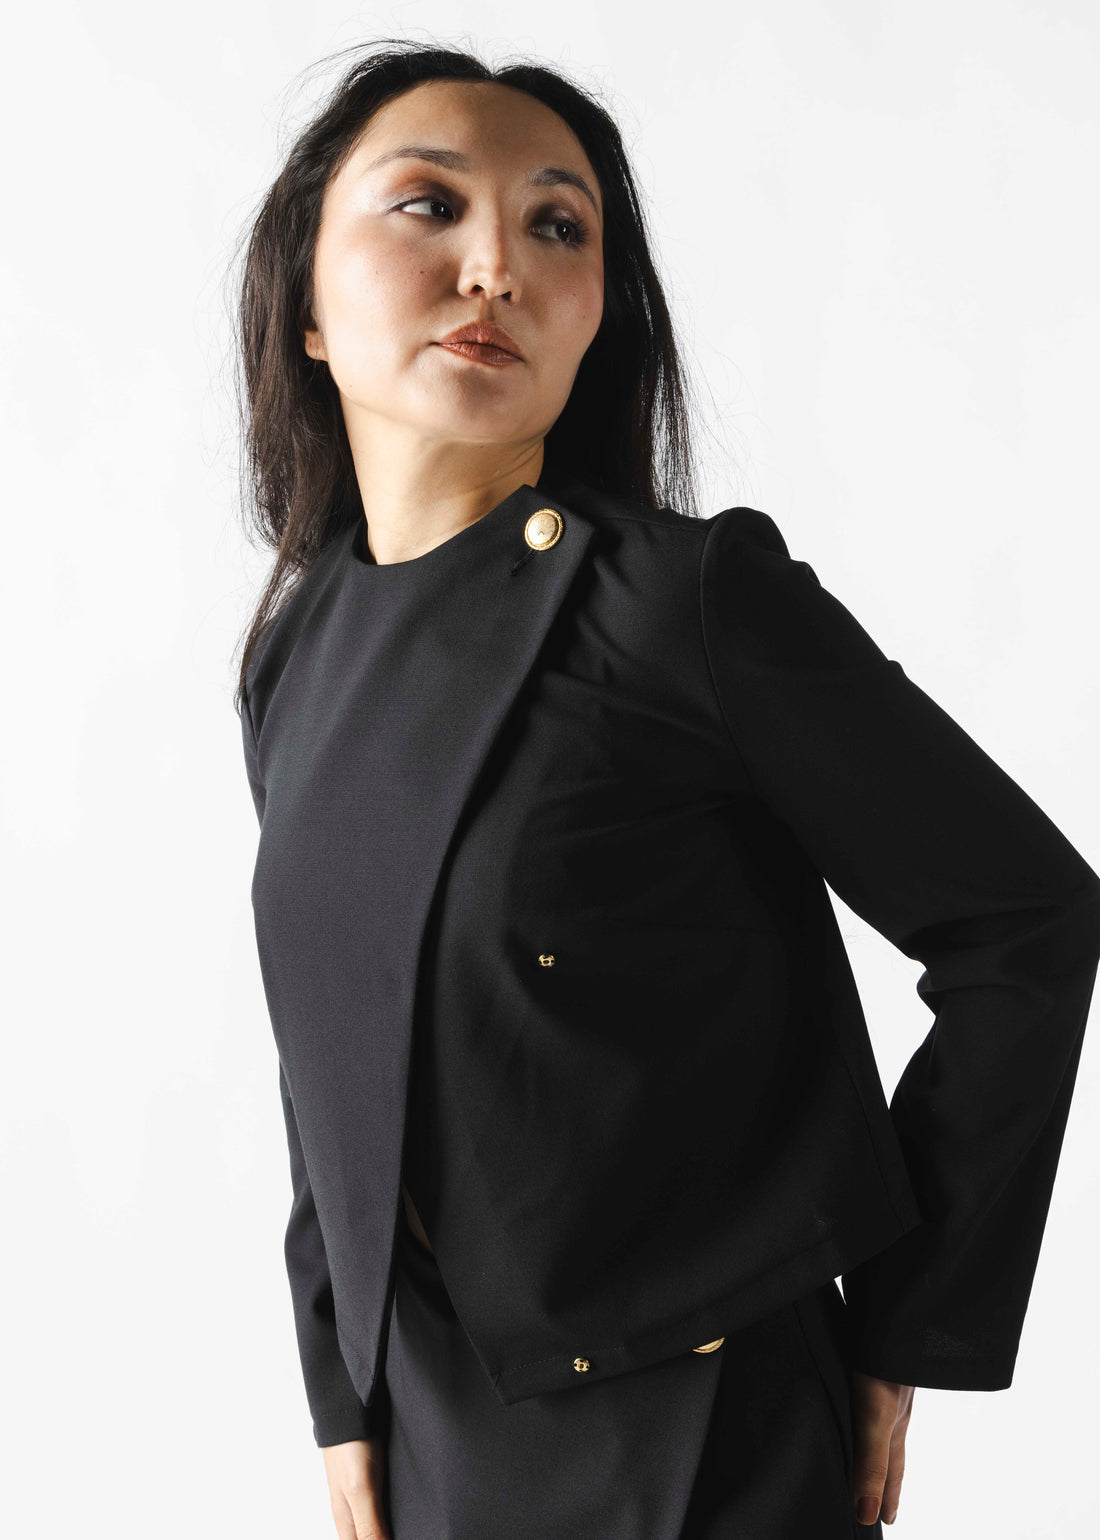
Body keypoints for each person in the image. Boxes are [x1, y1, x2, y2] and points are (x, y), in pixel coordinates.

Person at [232, 40, 1100, 1540]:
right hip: (432, 1424)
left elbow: (1027, 919)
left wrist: (907, 1319)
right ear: (305, 302)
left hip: (704, 1437)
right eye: (429, 204)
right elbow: (336, 1039)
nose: (495, 266)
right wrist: (341, 1381)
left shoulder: (684, 604)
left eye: (556, 226)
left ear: (597, 316)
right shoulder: (295, 654)